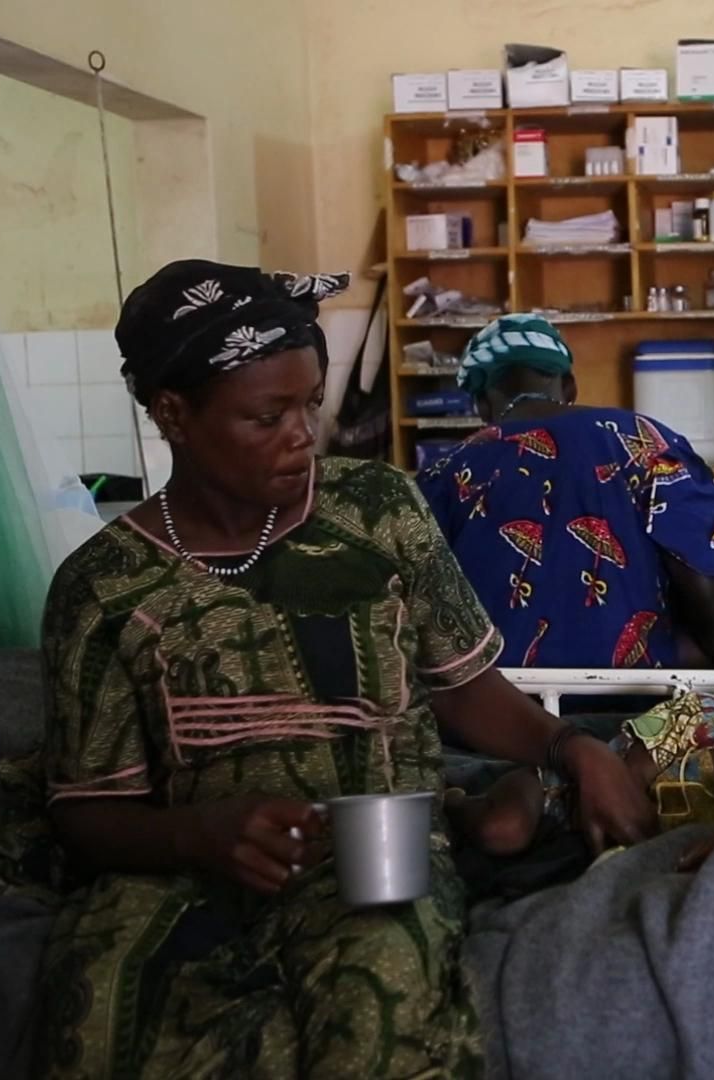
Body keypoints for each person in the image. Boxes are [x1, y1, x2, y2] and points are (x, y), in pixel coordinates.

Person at [37, 261, 656, 1079]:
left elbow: (465, 688)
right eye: (268, 416)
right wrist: (199, 835)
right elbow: (86, 812)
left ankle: (473, 815)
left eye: (311, 404)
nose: (303, 434)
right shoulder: (103, 587)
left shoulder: (376, 509)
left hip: (376, 855)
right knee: (104, 1015)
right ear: (173, 413)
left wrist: (570, 748)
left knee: (379, 991)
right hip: (183, 870)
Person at [418, 313, 714, 672]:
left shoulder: (444, 475)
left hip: (500, 702)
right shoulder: (644, 444)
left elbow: (429, 625)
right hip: (640, 700)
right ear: (569, 387)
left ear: (481, 405)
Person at [449, 682, 714, 866]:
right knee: (502, 829)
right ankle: (453, 803)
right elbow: (629, 781)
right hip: (557, 792)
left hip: (604, 847)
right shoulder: (707, 717)